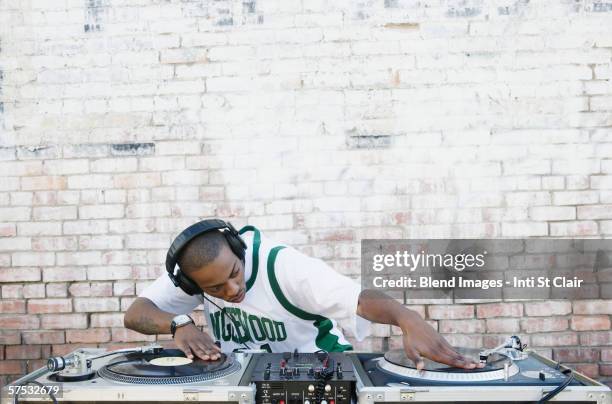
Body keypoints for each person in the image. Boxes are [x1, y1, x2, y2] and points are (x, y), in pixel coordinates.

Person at [124, 219, 481, 370]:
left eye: (235, 274)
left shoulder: (285, 266)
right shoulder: (196, 273)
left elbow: (358, 298)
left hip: (318, 372)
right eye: (215, 289)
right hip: (241, 379)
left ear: (239, 251)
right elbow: (137, 312)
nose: (232, 290)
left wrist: (407, 318)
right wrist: (178, 324)